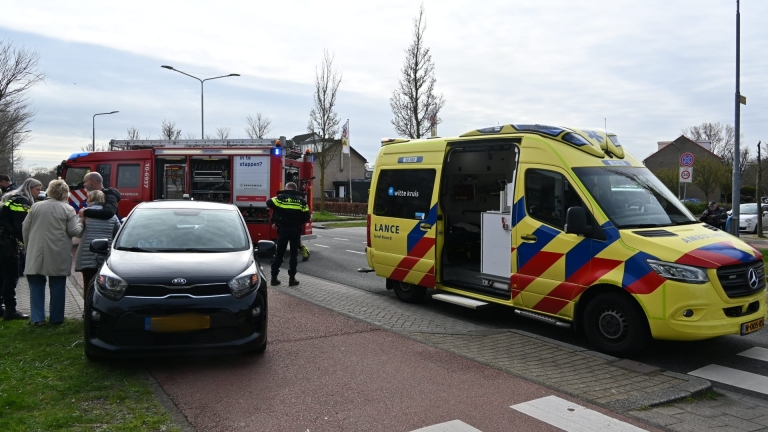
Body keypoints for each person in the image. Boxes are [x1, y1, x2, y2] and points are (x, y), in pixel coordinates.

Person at [22, 179, 83, 326]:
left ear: (49, 190)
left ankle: (38, 318)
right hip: (58, 253)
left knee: (36, 285)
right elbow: (74, 231)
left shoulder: (36, 206)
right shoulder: (67, 209)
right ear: (66, 192)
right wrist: (81, 221)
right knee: (57, 286)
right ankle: (56, 319)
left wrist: (28, 246)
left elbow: (25, 227)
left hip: (36, 251)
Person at [0, 178, 41, 320]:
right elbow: (21, 227)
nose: (39, 192)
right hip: (8, 245)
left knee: (2, 276)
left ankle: (1, 308)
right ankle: (10, 310)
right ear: (29, 189)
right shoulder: (21, 201)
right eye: (37, 189)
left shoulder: (10, 197)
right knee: (11, 276)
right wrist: (27, 244)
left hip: (3, 242)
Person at [74, 190, 121, 306]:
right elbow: (118, 234)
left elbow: (78, 233)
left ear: (90, 199)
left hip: (87, 254)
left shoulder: (85, 214)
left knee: (87, 283)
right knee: (104, 285)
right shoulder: (112, 216)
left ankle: (87, 310)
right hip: (105, 254)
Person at [266, 182, 310, 287]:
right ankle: (292, 279)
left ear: (287, 188)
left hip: (283, 230)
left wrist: (278, 218)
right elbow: (307, 217)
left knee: (279, 254)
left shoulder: (280, 198)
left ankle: (274, 279)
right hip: (295, 230)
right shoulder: (302, 201)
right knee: (293, 255)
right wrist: (298, 221)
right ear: (294, 189)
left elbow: (269, 203)